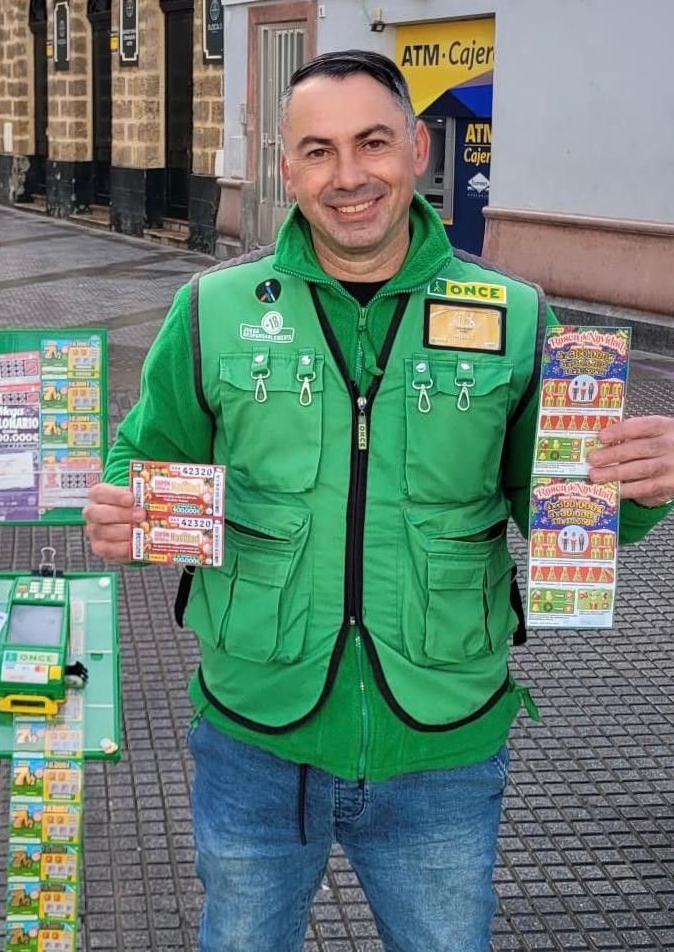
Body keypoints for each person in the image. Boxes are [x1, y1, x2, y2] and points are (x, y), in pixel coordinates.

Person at [83, 50, 674, 952]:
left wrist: (635, 490)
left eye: (372, 143)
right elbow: (143, 461)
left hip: (441, 742)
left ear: (417, 147)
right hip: (255, 736)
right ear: (285, 169)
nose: (348, 176)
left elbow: (560, 504)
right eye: (316, 151)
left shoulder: (513, 314)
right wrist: (120, 512)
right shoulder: (215, 307)